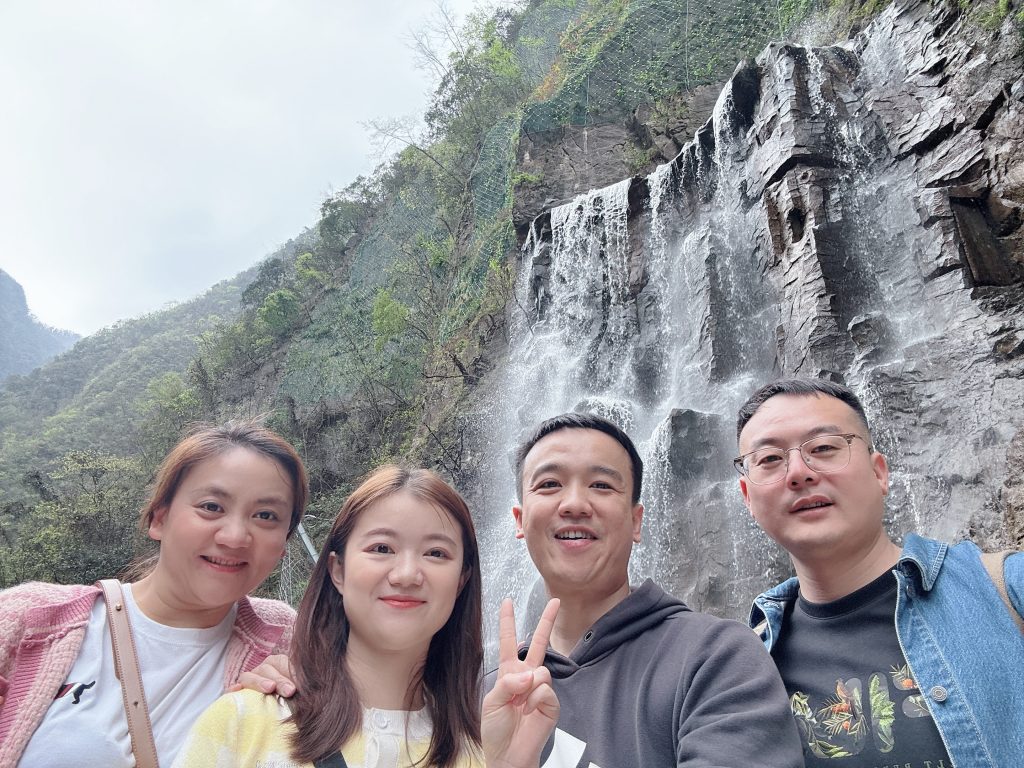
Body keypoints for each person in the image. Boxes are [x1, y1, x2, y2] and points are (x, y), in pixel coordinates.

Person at [174, 465, 559, 768]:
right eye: (381, 548)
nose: (406, 574)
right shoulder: (241, 723)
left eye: (436, 553)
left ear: (461, 582)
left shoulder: (481, 752)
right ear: (338, 571)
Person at [488, 412, 803, 768]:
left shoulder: (716, 658)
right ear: (519, 520)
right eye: (549, 484)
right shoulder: (492, 693)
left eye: (601, 485)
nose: (574, 504)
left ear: (636, 522)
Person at [737, 378, 1024, 767]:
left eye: (823, 448)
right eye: (770, 459)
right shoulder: (741, 667)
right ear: (748, 498)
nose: (799, 473)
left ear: (879, 473)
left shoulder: (1007, 587)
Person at [0, 420, 308, 768]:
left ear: (283, 544)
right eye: (211, 507)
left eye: (266, 515)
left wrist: (299, 695)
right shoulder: (28, 619)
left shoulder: (289, 640)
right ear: (159, 519)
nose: (235, 537)